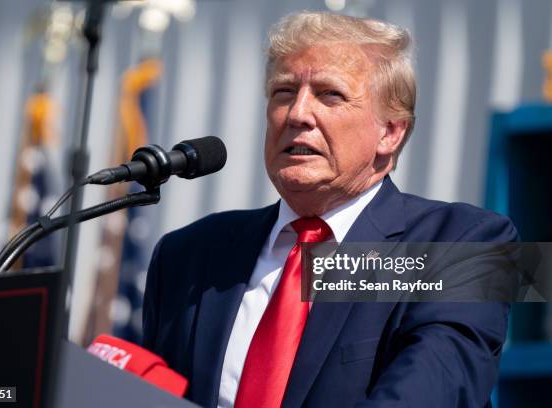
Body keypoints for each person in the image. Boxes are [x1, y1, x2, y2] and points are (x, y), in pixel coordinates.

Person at [142, 11, 516, 408]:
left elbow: (431, 390)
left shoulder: (465, 244)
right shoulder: (189, 255)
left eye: (329, 94)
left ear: (390, 132)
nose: (298, 114)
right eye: (284, 92)